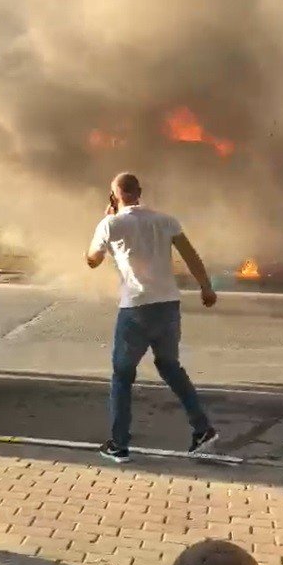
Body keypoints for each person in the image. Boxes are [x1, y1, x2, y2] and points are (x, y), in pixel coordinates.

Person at [86, 172, 218, 463]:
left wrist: (107, 224)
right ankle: (202, 428)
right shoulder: (165, 221)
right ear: (139, 192)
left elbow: (92, 260)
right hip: (168, 306)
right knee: (170, 366)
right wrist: (206, 287)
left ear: (115, 196)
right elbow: (191, 255)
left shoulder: (111, 224)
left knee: (122, 375)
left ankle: (119, 444)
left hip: (136, 308)